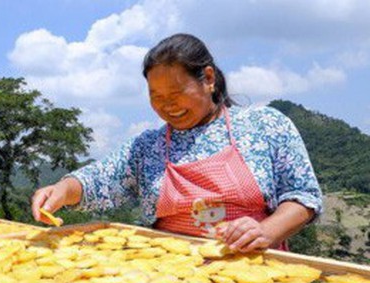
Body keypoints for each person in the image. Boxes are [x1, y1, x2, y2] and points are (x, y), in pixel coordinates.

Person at [31, 33, 323, 252]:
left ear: (208, 79)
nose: (167, 106)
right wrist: (61, 190)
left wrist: (266, 230)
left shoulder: (264, 125)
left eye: (175, 94)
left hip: (254, 271)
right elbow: (97, 181)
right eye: (156, 97)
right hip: (171, 275)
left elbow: (304, 197)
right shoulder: (148, 147)